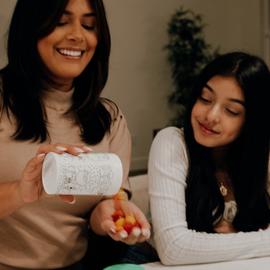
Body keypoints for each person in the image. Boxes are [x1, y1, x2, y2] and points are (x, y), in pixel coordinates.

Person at [0, 0, 150, 269]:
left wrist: (110, 215)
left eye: (89, 25)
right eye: (61, 22)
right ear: (30, 27)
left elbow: (108, 204)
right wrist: (20, 192)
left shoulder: (109, 119)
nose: (78, 36)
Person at [148, 51, 270, 265]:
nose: (211, 116)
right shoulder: (172, 143)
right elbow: (174, 248)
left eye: (231, 111)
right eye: (205, 98)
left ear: (252, 121)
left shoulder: (260, 156)